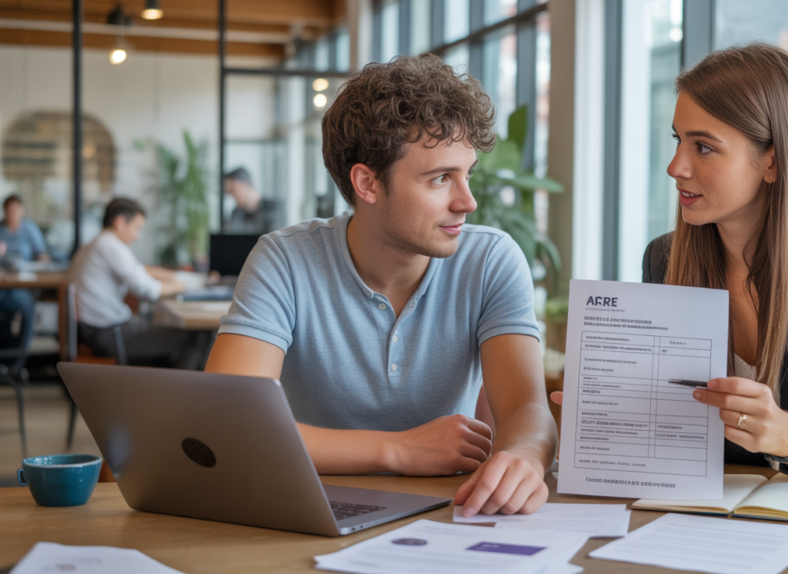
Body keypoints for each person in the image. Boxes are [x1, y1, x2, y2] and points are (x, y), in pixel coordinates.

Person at [555, 44, 788, 502]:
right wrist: (619, 419)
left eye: (704, 147)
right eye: (678, 140)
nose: (675, 167)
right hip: (734, 512)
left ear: (773, 160)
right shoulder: (664, 258)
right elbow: (682, 431)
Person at [205, 55, 556, 517]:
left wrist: (523, 457)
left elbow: (526, 409)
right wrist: (397, 449)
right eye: (440, 179)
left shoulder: (491, 259)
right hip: (304, 509)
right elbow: (228, 423)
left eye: (467, 173)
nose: (467, 201)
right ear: (367, 183)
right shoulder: (285, 259)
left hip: (446, 512)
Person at [69, 198, 204, 369]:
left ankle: (168, 382)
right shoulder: (111, 247)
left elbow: (140, 269)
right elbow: (150, 290)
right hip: (110, 335)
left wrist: (178, 276)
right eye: (137, 228)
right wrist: (190, 284)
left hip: (95, 332)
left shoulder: (96, 244)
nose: (137, 236)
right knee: (197, 336)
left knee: (163, 326)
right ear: (120, 222)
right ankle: (176, 386)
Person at [0, 194, 51, 364]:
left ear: (21, 210)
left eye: (16, 210)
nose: (13, 213)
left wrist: (40, 262)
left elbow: (43, 255)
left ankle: (18, 361)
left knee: (27, 308)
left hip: (22, 286)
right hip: (2, 287)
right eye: (9, 210)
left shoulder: (29, 228)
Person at [223, 167, 281, 234]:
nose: (232, 195)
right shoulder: (236, 213)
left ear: (247, 184)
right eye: (229, 192)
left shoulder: (274, 209)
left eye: (233, 189)